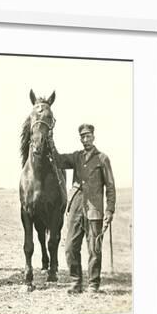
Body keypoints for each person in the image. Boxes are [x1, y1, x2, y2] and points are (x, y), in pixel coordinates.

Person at [49, 124, 116, 294]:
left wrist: (109, 210)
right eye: (83, 137)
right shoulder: (76, 157)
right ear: (80, 139)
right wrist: (50, 139)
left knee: (94, 249)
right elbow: (57, 160)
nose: (85, 140)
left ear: (93, 137)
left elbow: (110, 187)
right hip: (76, 208)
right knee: (70, 247)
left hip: (95, 211)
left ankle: (93, 284)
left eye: (88, 136)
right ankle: (76, 282)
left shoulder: (102, 159)